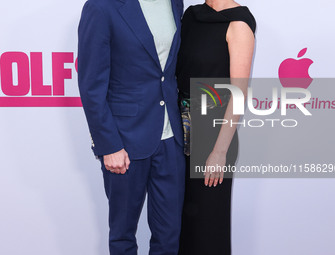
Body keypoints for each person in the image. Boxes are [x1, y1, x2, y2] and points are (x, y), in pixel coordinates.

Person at [77, 0, 185, 254]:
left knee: (169, 237)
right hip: (124, 140)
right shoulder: (101, 7)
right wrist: (109, 145)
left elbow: (165, 71)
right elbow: (91, 86)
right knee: (123, 236)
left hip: (171, 138)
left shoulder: (175, 3)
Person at [176, 0, 256, 254]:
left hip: (214, 133)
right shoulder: (191, 15)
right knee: (179, 223)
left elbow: (239, 94)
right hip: (178, 127)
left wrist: (219, 151)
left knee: (207, 225)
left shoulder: (239, 23)